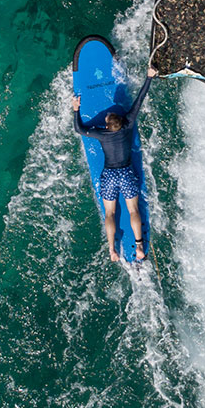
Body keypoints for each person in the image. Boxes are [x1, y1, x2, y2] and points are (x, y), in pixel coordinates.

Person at [72, 66, 157, 262]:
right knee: (133, 210)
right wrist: (149, 78)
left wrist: (76, 109)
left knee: (110, 213)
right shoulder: (127, 124)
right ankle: (140, 247)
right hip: (127, 173)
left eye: (108, 117)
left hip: (110, 175)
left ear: (108, 125)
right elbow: (139, 100)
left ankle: (112, 250)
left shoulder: (101, 133)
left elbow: (79, 128)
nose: (107, 114)